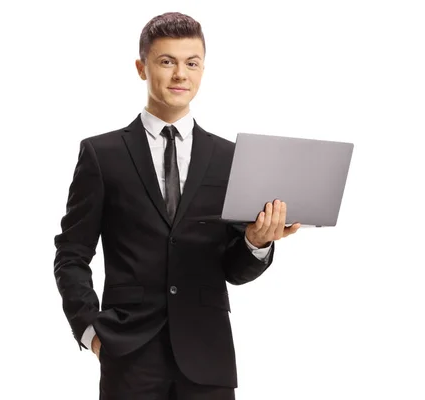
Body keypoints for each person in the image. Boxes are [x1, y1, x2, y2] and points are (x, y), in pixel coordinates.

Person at [53, 11, 301, 400]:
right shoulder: (102, 154)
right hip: (129, 355)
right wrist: (90, 330)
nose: (180, 74)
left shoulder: (230, 158)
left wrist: (257, 242)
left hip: (208, 355)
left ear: (203, 70)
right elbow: (71, 253)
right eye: (167, 61)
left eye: (192, 63)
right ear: (141, 67)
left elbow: (234, 270)